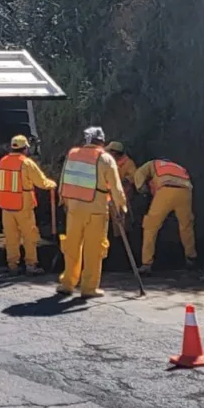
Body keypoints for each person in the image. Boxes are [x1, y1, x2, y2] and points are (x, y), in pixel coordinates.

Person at [57, 126, 127, 298]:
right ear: (102, 142)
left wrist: (63, 200)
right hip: (96, 210)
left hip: (73, 209)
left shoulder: (72, 154)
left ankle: (67, 284)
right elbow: (116, 187)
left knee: (72, 247)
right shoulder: (105, 158)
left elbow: (64, 180)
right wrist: (121, 207)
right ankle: (89, 288)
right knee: (93, 250)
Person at [0, 134, 57, 275]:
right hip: (23, 206)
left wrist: (1, 199)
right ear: (25, 148)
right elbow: (41, 182)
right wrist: (52, 184)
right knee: (29, 236)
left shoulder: (2, 162)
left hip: (6, 206)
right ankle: (31, 264)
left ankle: (13, 265)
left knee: (11, 237)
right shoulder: (26, 163)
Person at [133, 158, 196, 274]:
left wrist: (141, 188)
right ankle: (191, 257)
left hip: (166, 191)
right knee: (186, 225)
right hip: (186, 192)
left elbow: (139, 173)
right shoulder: (178, 167)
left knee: (150, 226)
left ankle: (146, 264)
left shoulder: (152, 164)